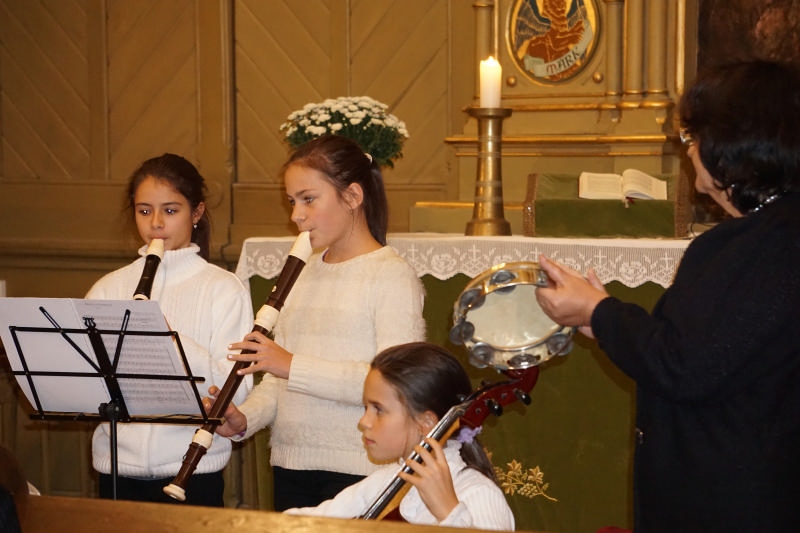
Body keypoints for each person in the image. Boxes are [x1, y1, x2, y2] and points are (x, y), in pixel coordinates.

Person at [534, 59, 800, 532]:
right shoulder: (770, 234)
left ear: (730, 143)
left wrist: (600, 310)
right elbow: (711, 347)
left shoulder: (768, 245)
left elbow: (684, 366)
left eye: (693, 137)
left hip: (731, 498)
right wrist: (601, 321)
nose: (689, 150)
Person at [207, 134, 426, 510]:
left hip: (361, 469)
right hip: (291, 464)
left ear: (352, 196)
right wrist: (246, 419)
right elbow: (277, 379)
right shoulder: (301, 273)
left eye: (308, 199)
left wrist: (291, 364)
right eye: (292, 201)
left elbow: (393, 385)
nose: (296, 215)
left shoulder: (391, 275)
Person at [86, 153, 254, 506]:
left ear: (196, 213)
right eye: (144, 210)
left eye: (171, 210)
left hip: (193, 472)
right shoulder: (108, 288)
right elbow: (86, 385)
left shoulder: (224, 289)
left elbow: (234, 392)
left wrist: (168, 340)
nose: (156, 223)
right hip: (117, 470)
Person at [284, 341, 514, 530]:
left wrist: (449, 513)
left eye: (378, 409)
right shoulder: (387, 481)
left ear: (426, 423)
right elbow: (309, 523)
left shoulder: (477, 493)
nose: (364, 422)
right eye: (365, 408)